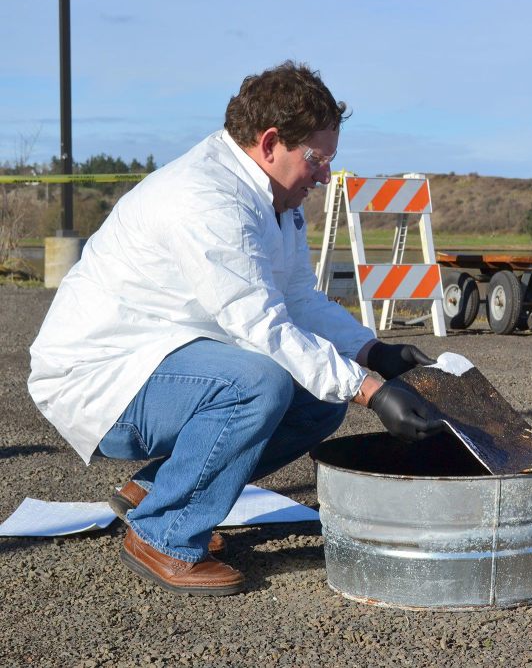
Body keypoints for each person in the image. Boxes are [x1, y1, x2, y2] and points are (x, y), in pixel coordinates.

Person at [28, 61, 443, 596]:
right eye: (317, 160)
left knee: (319, 402)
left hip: (166, 358)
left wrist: (371, 352)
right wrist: (372, 392)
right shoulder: (207, 199)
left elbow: (298, 299)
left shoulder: (274, 199)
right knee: (258, 383)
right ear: (270, 143)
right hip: (100, 376)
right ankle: (164, 533)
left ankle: (154, 492)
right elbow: (261, 323)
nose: (324, 176)